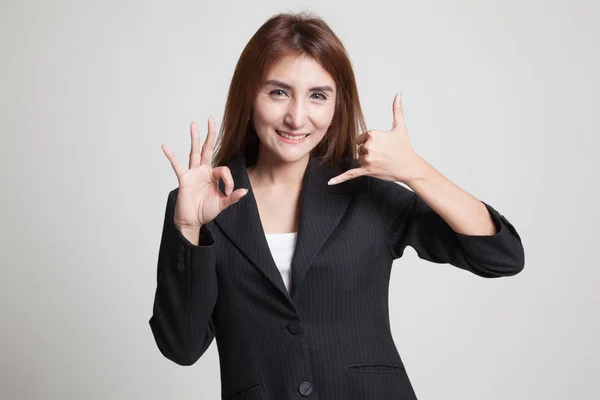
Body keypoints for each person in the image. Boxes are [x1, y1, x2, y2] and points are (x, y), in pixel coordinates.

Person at [149, 11, 525, 400]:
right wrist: (188, 228)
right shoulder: (204, 202)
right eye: (278, 92)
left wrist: (415, 171)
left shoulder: (366, 193)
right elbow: (181, 346)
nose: (297, 117)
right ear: (249, 95)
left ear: (336, 103)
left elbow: (502, 255)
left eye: (318, 96)